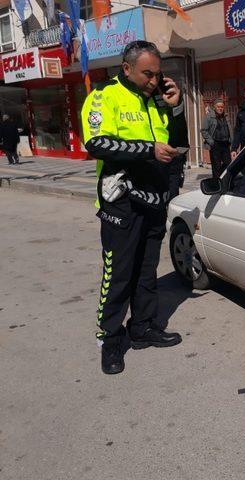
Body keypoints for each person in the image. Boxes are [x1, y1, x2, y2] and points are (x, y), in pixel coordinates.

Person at [81, 40, 189, 375]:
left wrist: (177, 108)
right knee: (118, 276)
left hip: (154, 201)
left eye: (158, 74)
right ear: (126, 68)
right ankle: (110, 340)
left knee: (146, 273)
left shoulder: (156, 100)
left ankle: (143, 327)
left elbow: (175, 143)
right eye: (148, 74)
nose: (155, 81)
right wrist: (147, 150)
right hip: (121, 204)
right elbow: (96, 143)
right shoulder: (104, 96)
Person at [201, 98, 231, 177]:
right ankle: (217, 184)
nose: (220, 108)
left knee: (228, 164)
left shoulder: (226, 116)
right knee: (216, 166)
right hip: (215, 144)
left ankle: (225, 181)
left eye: (222, 107)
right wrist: (211, 142)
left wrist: (231, 139)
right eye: (218, 107)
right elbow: (203, 130)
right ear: (214, 107)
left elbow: (229, 129)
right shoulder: (209, 117)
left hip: (225, 144)